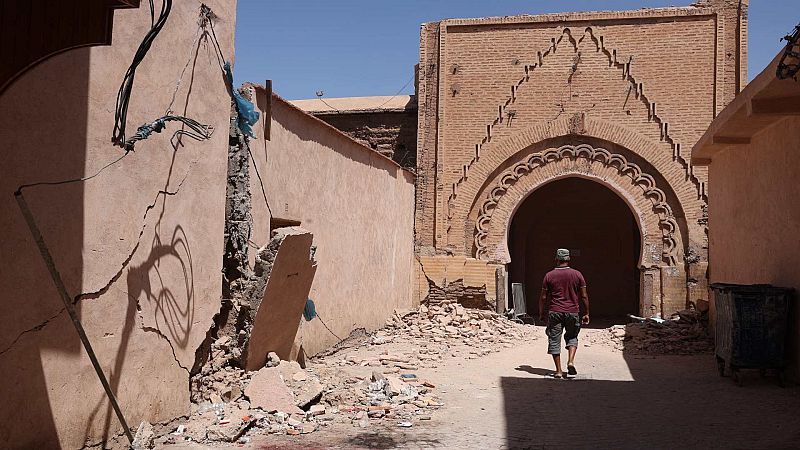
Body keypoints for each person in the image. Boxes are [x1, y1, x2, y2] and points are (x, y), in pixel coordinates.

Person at [538, 248, 590, 379]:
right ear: (568, 259)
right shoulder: (577, 275)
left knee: (554, 339)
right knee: (572, 337)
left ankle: (559, 371)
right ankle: (571, 361)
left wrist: (541, 313)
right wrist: (586, 313)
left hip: (555, 311)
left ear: (556, 259)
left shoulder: (549, 275)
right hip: (573, 311)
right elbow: (584, 296)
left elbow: (543, 297)